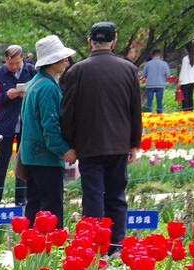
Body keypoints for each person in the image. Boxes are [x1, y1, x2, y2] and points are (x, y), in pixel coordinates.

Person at [61, 21, 143, 250]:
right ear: (114, 40)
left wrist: (71, 144)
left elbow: (68, 112)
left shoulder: (77, 70)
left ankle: (95, 246)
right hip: (118, 144)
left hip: (89, 145)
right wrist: (134, 143)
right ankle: (117, 243)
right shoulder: (128, 69)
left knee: (93, 195)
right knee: (117, 195)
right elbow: (135, 109)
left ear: (89, 42)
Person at [20, 35, 77, 227]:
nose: (66, 61)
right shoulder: (47, 87)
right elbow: (50, 127)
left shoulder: (34, 84)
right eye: (63, 58)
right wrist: (64, 150)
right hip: (45, 157)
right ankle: (50, 250)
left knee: (34, 207)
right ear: (53, 61)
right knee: (50, 210)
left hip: (31, 156)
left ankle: (32, 250)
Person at [0, 45, 37, 207]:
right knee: (1, 162)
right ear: (5, 60)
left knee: (23, 162)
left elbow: (38, 94)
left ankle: (21, 199)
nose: (14, 67)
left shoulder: (31, 72)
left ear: (22, 58)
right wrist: (5, 96)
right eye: (10, 64)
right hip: (6, 124)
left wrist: (26, 94)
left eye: (16, 63)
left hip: (26, 124)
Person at [178, 44, 194, 112]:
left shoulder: (185, 59)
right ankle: (190, 110)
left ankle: (185, 110)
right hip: (192, 80)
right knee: (190, 97)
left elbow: (183, 70)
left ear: (187, 50)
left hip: (185, 81)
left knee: (185, 97)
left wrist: (179, 80)